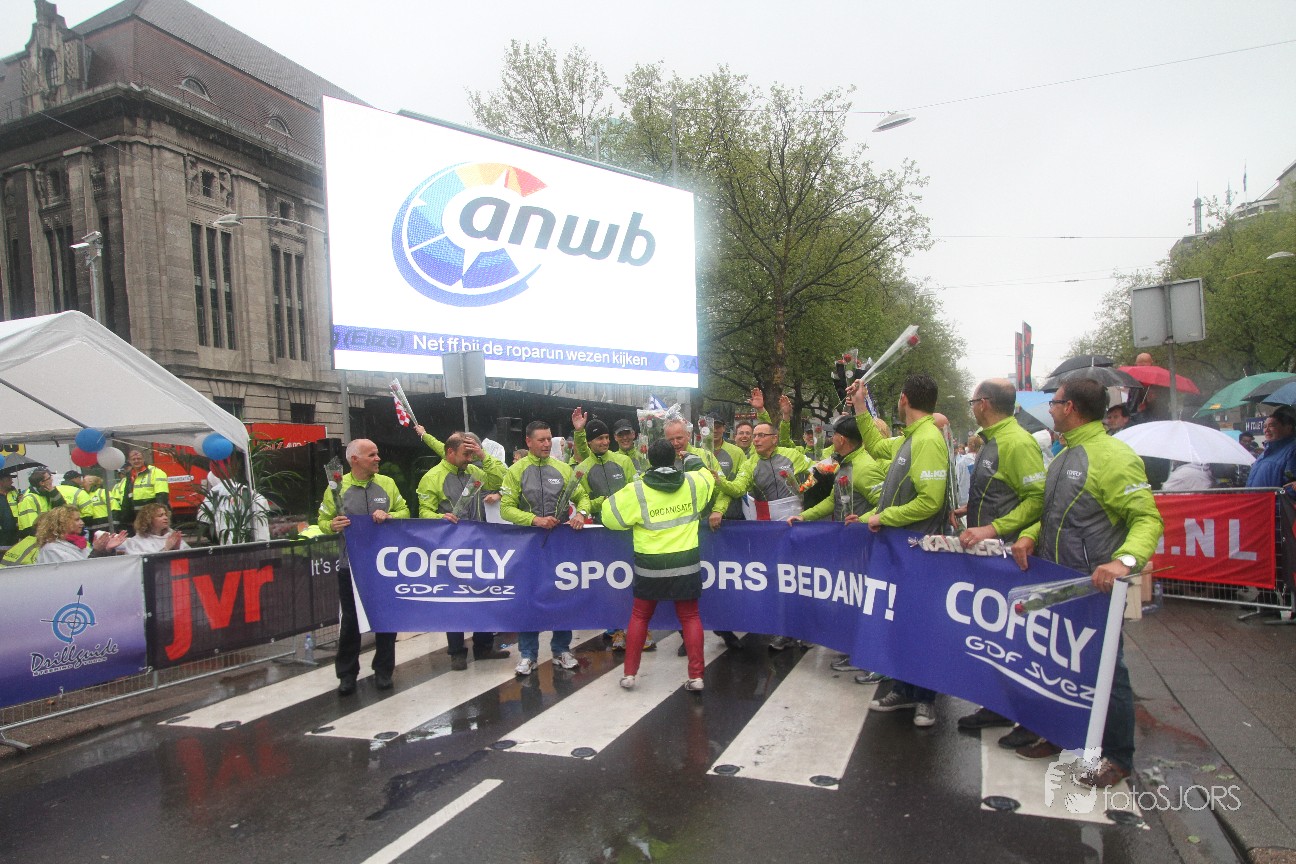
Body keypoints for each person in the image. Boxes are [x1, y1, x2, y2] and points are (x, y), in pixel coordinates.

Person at [1010, 376, 1163, 786]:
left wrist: (1123, 562)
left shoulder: (1113, 455)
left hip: (1095, 587)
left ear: (1071, 407)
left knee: (1108, 670)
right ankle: (1062, 735)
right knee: (1058, 661)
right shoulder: (1064, 454)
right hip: (1058, 582)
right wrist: (1030, 535)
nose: (1051, 409)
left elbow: (1147, 519)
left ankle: (1118, 757)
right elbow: (1054, 514)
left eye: (1054, 402)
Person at [847, 373, 950, 727]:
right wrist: (860, 405)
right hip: (902, 549)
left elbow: (930, 501)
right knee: (902, 622)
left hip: (920, 549)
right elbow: (876, 447)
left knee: (920, 626)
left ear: (904, 399)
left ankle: (925, 700)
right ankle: (905, 690)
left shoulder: (928, 439)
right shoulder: (911, 436)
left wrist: (883, 516)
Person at [951, 379, 1048, 733]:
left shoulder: (1017, 442)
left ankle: (1023, 711)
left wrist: (992, 529)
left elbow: (1037, 498)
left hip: (1007, 555)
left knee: (1013, 636)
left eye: (973, 401)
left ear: (985, 403)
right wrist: (970, 508)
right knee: (992, 633)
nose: (972, 407)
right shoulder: (993, 440)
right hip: (988, 554)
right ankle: (997, 704)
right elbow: (1003, 490)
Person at [602, 439, 716, 692]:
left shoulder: (636, 490)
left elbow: (608, 517)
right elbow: (707, 476)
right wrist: (691, 458)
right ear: (674, 459)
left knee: (640, 616)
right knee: (690, 617)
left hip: (650, 566)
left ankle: (630, 675)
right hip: (685, 563)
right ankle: (697, 677)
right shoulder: (692, 483)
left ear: (649, 461)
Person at [317, 438, 409, 696]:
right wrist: (331, 525)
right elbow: (322, 520)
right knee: (351, 622)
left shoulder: (387, 483)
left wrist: (390, 516)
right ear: (354, 460)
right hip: (351, 566)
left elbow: (404, 510)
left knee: (385, 619)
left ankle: (383, 671)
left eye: (377, 454)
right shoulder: (337, 486)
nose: (378, 458)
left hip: (384, 567)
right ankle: (347, 675)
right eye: (372, 455)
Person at [499, 420, 590, 676]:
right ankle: (528, 655)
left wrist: (581, 514)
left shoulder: (562, 468)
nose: (547, 444)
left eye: (549, 439)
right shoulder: (516, 471)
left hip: (560, 545)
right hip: (528, 546)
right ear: (528, 442)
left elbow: (583, 497)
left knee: (562, 596)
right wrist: (534, 520)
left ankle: (561, 650)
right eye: (541, 440)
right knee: (529, 599)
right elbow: (506, 509)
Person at [416, 431, 511, 670]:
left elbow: (503, 479)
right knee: (455, 600)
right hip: (451, 548)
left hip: (480, 544)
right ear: (450, 452)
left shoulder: (474, 471)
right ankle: (457, 652)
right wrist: (440, 517)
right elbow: (423, 511)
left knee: (483, 596)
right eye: (465, 454)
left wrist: (483, 456)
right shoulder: (432, 477)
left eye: (472, 454)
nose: (470, 459)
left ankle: (484, 646)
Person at [570, 409, 653, 653]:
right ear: (590, 442)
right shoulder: (582, 467)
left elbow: (637, 491)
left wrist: (622, 505)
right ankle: (616, 629)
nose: (605, 442)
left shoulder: (623, 461)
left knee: (634, 581)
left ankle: (642, 629)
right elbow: (583, 499)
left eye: (607, 437)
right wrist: (603, 502)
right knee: (610, 582)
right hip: (602, 532)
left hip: (628, 531)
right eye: (600, 438)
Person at [35, 506, 126, 563]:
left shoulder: (78, 544)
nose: (82, 523)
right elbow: (77, 574)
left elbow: (95, 566)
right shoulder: (51, 549)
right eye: (77, 520)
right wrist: (96, 551)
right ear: (62, 523)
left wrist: (106, 550)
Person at [111, 447, 169, 529]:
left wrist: (160, 515)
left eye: (139, 458)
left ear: (143, 459)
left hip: (153, 515)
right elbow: (127, 498)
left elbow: (162, 495)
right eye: (133, 459)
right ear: (130, 461)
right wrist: (127, 518)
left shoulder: (156, 472)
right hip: (137, 516)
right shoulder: (129, 476)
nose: (136, 461)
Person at [1246, 407, 1296, 496]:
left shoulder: (1292, 451)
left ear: (1288, 428)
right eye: (1265, 426)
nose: (1266, 430)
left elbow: (1291, 488)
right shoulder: (1265, 453)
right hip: (1256, 502)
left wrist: (1277, 502)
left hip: (1274, 504)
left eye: (1272, 426)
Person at [120, 503, 189, 554]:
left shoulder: (171, 536)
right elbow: (144, 565)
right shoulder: (136, 542)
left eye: (165, 515)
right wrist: (166, 549)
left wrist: (176, 549)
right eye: (160, 515)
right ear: (148, 519)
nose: (165, 518)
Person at [16, 468, 66, 538]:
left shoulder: (47, 494)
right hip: (35, 538)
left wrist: (54, 492)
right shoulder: (29, 499)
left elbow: (63, 509)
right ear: (42, 483)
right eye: (49, 478)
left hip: (48, 536)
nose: (52, 480)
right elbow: (31, 527)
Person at [0, 472, 20, 550]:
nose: (12, 482)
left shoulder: (14, 493)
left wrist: (21, 500)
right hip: (2, 535)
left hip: (15, 533)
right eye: (9, 479)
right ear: (1, 482)